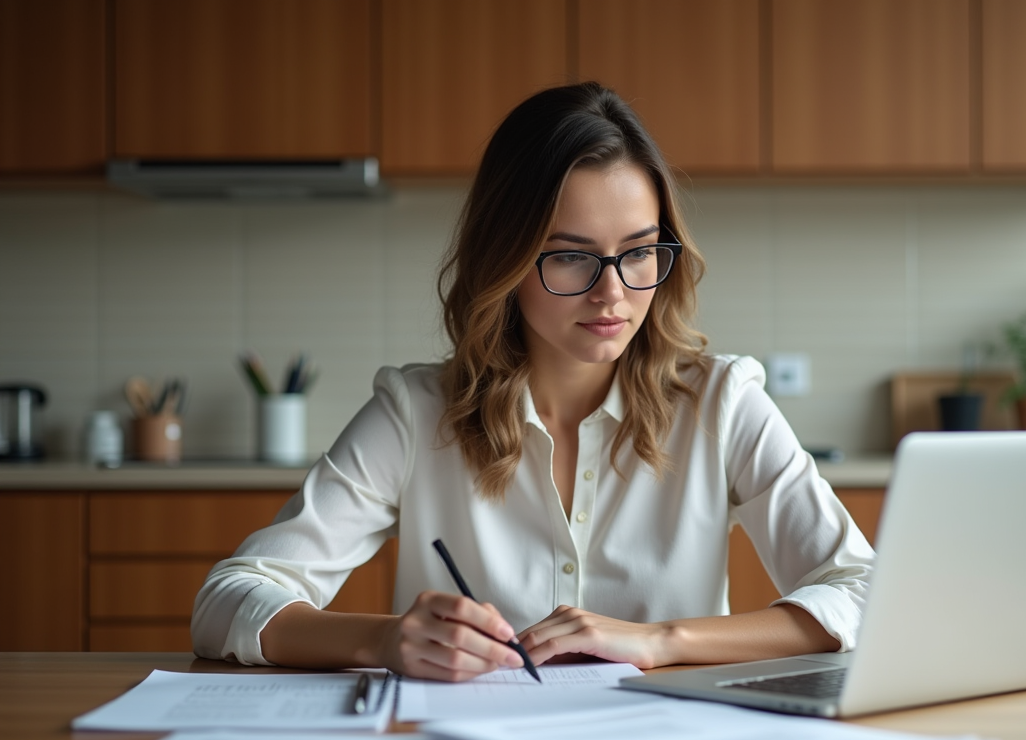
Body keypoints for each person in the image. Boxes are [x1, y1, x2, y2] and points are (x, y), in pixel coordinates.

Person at [192, 82, 874, 682]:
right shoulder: (416, 413)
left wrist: (662, 641)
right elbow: (229, 598)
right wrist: (384, 638)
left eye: (639, 252)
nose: (613, 293)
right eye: (572, 257)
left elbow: (866, 590)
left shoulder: (722, 403)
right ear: (507, 259)